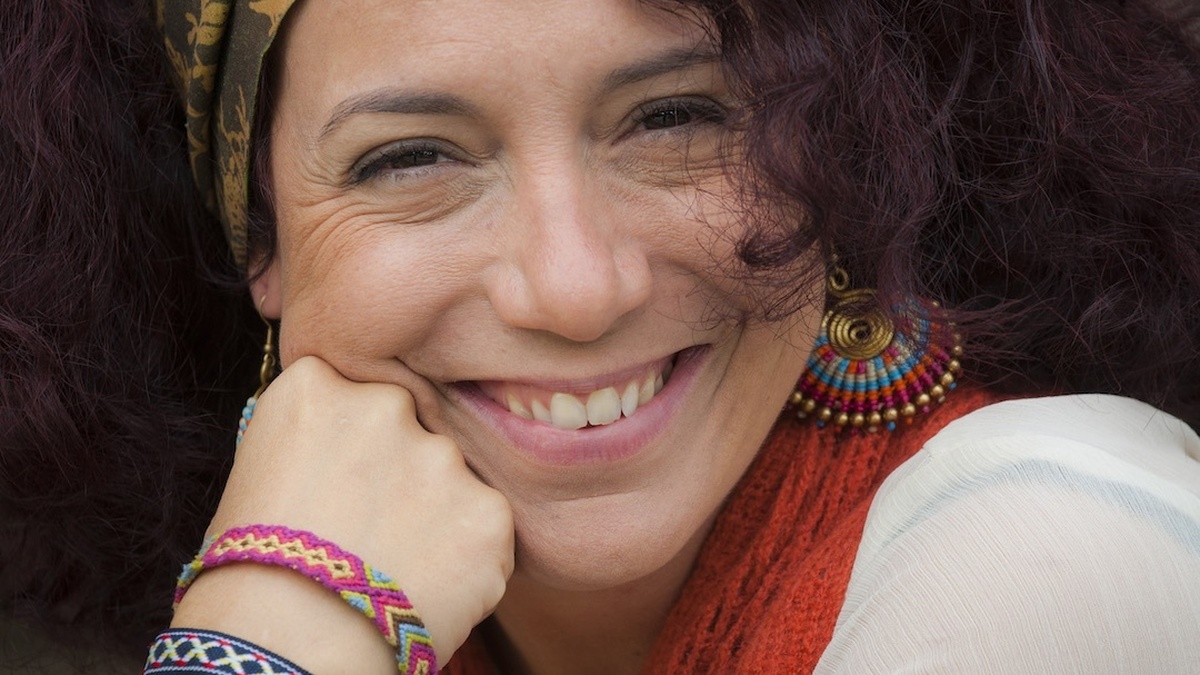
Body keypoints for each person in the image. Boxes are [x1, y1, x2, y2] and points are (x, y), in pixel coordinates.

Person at [2, 0, 1199, 673]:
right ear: (260, 241)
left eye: (673, 118)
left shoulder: (1054, 538)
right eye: (412, 157)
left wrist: (276, 635)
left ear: (847, 156)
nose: (574, 289)